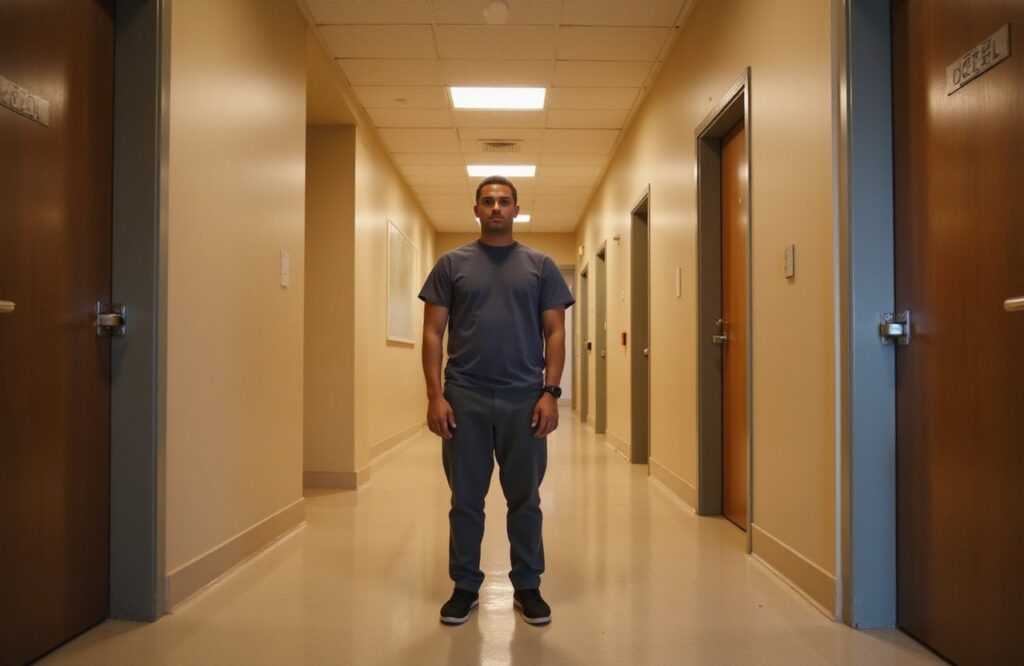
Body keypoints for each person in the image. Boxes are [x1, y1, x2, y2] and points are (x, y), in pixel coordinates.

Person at [419, 175, 575, 626]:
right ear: (476, 209)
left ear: (517, 209)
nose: (496, 208)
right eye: (487, 201)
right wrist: (435, 395)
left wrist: (550, 393)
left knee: (524, 499)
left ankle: (527, 585)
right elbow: (432, 332)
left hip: (523, 399)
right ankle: (464, 586)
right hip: (464, 396)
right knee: (465, 499)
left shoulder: (540, 266)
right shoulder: (452, 264)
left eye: (504, 201)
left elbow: (555, 331)